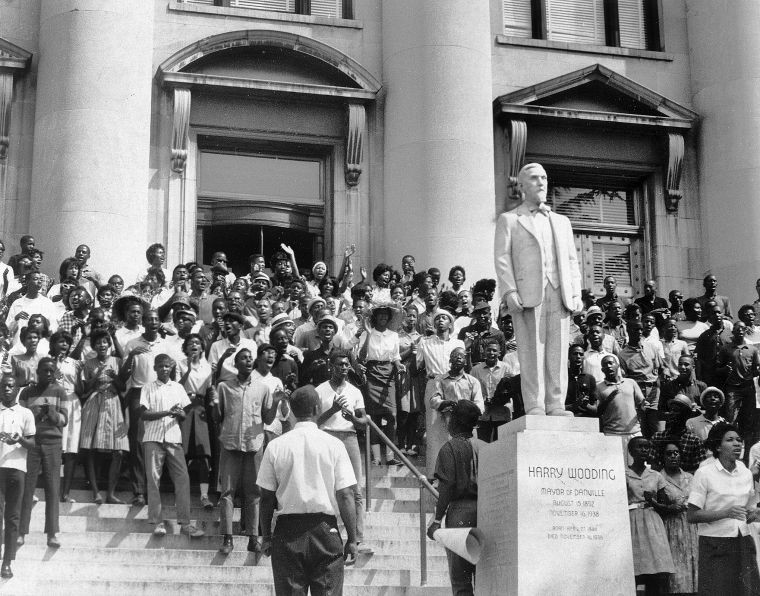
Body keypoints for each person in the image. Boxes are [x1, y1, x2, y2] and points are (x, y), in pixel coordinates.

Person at [494, 163, 582, 416]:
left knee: (557, 350)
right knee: (531, 351)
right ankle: (534, 403)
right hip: (527, 294)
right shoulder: (510, 220)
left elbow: (571, 260)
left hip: (559, 291)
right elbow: (502, 258)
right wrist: (509, 291)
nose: (541, 182)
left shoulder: (561, 221)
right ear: (521, 186)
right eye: (534, 178)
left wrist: (575, 293)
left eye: (544, 177)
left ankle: (556, 403)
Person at [258, 385, 358, 595]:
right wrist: (353, 538)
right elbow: (346, 494)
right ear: (317, 408)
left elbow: (266, 497)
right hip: (325, 530)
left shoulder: (276, 446)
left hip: (288, 533)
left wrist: (266, 536)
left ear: (293, 411)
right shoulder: (334, 445)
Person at [215, 348, 281, 554]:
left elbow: (269, 419)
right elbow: (218, 417)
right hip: (230, 444)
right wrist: (212, 403)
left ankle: (254, 537)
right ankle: (227, 537)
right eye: (243, 358)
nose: (248, 361)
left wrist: (277, 400)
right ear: (236, 364)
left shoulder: (262, 389)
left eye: (250, 358)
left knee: (254, 492)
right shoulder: (224, 387)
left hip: (254, 445)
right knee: (227, 492)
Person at [688, 422, 760, 595]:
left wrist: (754, 513)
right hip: (715, 543)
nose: (737, 443)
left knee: (747, 591)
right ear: (717, 446)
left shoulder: (746, 473)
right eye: (730, 440)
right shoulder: (704, 473)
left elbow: (749, 508)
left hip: (743, 540)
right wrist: (726, 513)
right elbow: (691, 515)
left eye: (739, 440)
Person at [139, 354, 204, 538]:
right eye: (161, 366)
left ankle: (185, 523)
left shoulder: (178, 387)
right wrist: (167, 412)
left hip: (174, 438)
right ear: (155, 368)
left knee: (183, 479)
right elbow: (144, 414)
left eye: (167, 366)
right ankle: (157, 522)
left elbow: (184, 414)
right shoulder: (148, 388)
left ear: (171, 368)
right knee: (153, 479)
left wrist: (179, 413)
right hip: (152, 438)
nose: (164, 369)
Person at [427, 400, 484, 596]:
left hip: (460, 513)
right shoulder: (487, 446)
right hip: (486, 512)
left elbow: (447, 487)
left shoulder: (449, 449)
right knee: (484, 577)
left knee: (461, 579)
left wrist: (436, 520)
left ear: (456, 421)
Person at [316, 350, 369, 552]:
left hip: (349, 437)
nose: (344, 368)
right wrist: (333, 410)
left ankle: (357, 538)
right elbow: (313, 421)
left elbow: (364, 422)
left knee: (355, 489)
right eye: (340, 364)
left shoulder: (355, 391)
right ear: (331, 366)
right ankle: (327, 536)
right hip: (326, 436)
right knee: (327, 488)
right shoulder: (320, 390)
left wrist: (353, 420)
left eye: (347, 364)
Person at [17, 358, 68, 548]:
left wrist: (52, 413)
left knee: (53, 488)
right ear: (37, 371)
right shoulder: (27, 391)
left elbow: (64, 420)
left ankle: (52, 533)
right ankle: (21, 532)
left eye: (51, 371)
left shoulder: (60, 391)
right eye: (45, 370)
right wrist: (35, 415)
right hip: (31, 443)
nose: (48, 374)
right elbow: (19, 418)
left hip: (53, 443)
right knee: (27, 488)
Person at [78, 329, 128, 504]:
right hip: (94, 403)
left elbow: (122, 387)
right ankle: (95, 492)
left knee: (119, 450)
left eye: (104, 342)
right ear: (94, 345)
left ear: (109, 344)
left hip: (113, 402)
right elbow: (85, 388)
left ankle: (111, 493)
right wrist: (97, 375)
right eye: (98, 342)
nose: (101, 345)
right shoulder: (89, 363)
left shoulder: (117, 361)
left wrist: (114, 378)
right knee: (90, 448)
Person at [354, 303, 404, 466]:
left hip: (388, 374)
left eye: (385, 314)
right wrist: (368, 334)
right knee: (373, 416)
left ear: (389, 317)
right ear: (375, 316)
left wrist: (399, 365)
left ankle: (390, 456)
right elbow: (361, 357)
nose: (383, 316)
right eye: (380, 314)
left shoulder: (393, 335)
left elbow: (395, 357)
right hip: (371, 373)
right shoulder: (367, 333)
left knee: (392, 415)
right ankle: (376, 457)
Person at [625, 436, 675, 595]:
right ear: (631, 451)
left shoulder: (655, 475)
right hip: (631, 521)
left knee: (657, 570)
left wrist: (653, 501)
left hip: (653, 522)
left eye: (647, 447)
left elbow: (667, 505)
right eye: (640, 447)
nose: (644, 450)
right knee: (636, 569)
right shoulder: (623, 474)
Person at [426, 348, 484, 476]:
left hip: (468, 425)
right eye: (455, 355)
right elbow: (433, 400)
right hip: (448, 423)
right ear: (450, 360)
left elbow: (480, 405)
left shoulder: (473, 381)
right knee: (448, 453)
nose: (458, 358)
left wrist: (466, 409)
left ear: (465, 361)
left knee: (468, 455)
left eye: (461, 356)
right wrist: (444, 403)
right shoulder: (440, 380)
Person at [0, 373, 35, 579]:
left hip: (17, 469)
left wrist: (19, 439)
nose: (7, 389)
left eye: (10, 386)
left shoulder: (25, 413)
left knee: (12, 517)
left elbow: (32, 443)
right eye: (3, 386)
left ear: (16, 389)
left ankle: (7, 562)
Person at [176, 334, 215, 509]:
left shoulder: (207, 368)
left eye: (197, 343)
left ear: (202, 348)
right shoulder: (180, 364)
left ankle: (204, 495)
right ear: (186, 347)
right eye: (190, 343)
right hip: (184, 405)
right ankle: (180, 495)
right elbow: (177, 386)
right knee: (181, 452)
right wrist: (189, 369)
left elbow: (209, 390)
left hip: (200, 408)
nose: (194, 345)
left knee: (203, 453)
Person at [657, 441, 699, 595]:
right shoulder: (658, 478)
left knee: (694, 568)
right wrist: (670, 508)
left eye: (676, 452)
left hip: (691, 527)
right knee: (676, 573)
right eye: (669, 453)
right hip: (671, 527)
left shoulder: (690, 477)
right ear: (663, 456)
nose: (673, 456)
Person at [591, 355, 644, 464]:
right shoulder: (599, 387)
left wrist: (644, 407)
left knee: (636, 468)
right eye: (605, 365)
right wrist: (608, 398)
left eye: (611, 363)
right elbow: (597, 411)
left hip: (634, 433)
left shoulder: (631, 382)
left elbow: (641, 403)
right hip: (612, 434)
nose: (608, 366)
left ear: (617, 365)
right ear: (602, 370)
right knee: (616, 469)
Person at [50, 330, 82, 503]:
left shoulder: (75, 363)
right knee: (54, 446)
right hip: (53, 403)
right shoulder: (46, 362)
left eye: (67, 343)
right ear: (53, 344)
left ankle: (66, 493)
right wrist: (54, 367)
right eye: (60, 342)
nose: (64, 345)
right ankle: (53, 491)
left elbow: (81, 389)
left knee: (70, 449)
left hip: (72, 403)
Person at [618, 320, 664, 438]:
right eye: (635, 329)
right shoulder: (623, 355)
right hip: (637, 391)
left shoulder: (651, 347)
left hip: (654, 390)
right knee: (640, 426)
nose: (639, 332)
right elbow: (625, 379)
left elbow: (659, 368)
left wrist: (657, 386)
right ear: (628, 331)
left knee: (655, 427)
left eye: (640, 329)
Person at [650, 394, 707, 473]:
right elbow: (653, 465)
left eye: (676, 410)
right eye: (671, 410)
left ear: (686, 415)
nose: (672, 413)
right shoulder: (658, 437)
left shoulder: (694, 441)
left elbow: (700, 469)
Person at [470, 337, 511, 441]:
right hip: (483, 414)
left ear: (499, 352)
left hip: (502, 413)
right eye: (488, 350)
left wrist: (499, 399)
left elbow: (510, 389)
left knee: (501, 445)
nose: (491, 353)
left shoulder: (506, 368)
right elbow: (471, 390)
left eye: (494, 350)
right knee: (483, 445)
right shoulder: (476, 370)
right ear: (484, 352)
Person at [457, 301, 506, 366]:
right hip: (470, 369)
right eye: (479, 313)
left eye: (484, 313)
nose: (481, 316)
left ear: (490, 315)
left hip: (490, 370)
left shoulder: (498, 335)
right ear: (475, 316)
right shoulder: (465, 332)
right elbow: (458, 353)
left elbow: (502, 356)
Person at [565, 343, 597, 418]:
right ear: (568, 356)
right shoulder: (563, 378)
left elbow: (595, 410)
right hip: (566, 419)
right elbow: (555, 408)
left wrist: (585, 405)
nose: (578, 357)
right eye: (575, 354)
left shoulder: (590, 379)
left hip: (585, 420)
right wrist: (574, 405)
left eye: (581, 354)